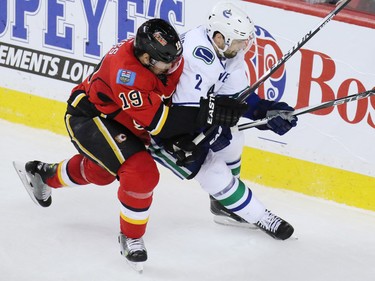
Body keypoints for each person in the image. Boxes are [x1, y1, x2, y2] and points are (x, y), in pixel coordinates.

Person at [15, 18, 247, 266]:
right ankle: (131, 237)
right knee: (141, 172)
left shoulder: (161, 57)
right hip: (91, 117)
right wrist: (209, 112)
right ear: (146, 58)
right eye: (165, 64)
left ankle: (44, 174)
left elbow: (182, 95)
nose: (172, 69)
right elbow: (162, 124)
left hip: (124, 120)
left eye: (175, 62)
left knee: (103, 173)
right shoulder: (127, 75)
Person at [149, 2, 298, 240]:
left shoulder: (228, 52)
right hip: (159, 128)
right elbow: (183, 116)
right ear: (219, 38)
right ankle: (260, 216)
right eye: (239, 41)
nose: (244, 46)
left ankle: (225, 205)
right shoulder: (198, 57)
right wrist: (214, 131)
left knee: (234, 137)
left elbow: (237, 99)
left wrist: (266, 112)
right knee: (211, 169)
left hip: (185, 116)